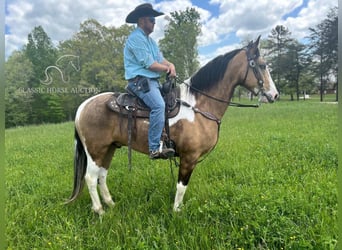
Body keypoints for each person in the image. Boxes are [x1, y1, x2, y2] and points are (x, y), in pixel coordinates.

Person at [124, 3, 176, 159]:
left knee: (172, 101)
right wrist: (166, 69)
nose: (154, 22)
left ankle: (167, 139)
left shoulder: (151, 42)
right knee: (158, 105)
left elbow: (161, 59)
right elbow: (150, 64)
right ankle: (154, 148)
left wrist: (171, 65)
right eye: (152, 19)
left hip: (152, 82)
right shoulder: (135, 39)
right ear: (141, 21)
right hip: (139, 82)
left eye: (154, 20)